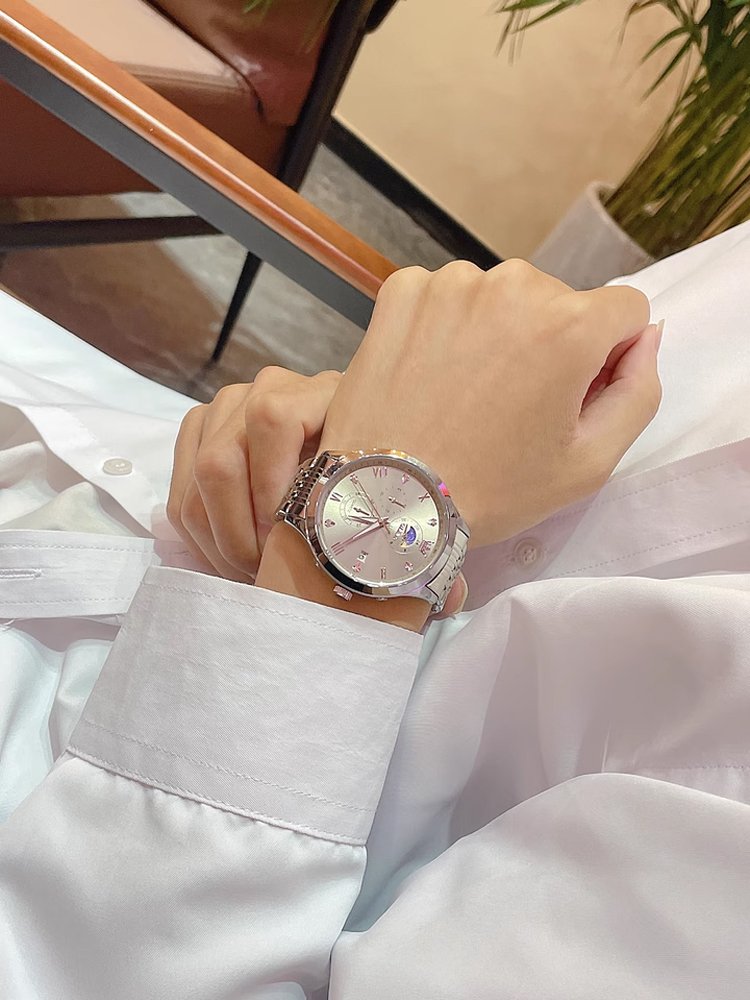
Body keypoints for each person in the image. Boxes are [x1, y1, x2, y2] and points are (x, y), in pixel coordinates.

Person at [0, 219, 749, 999]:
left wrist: (369, 514)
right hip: (84, 442)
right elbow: (496, 429)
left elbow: (96, 963)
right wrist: (339, 435)